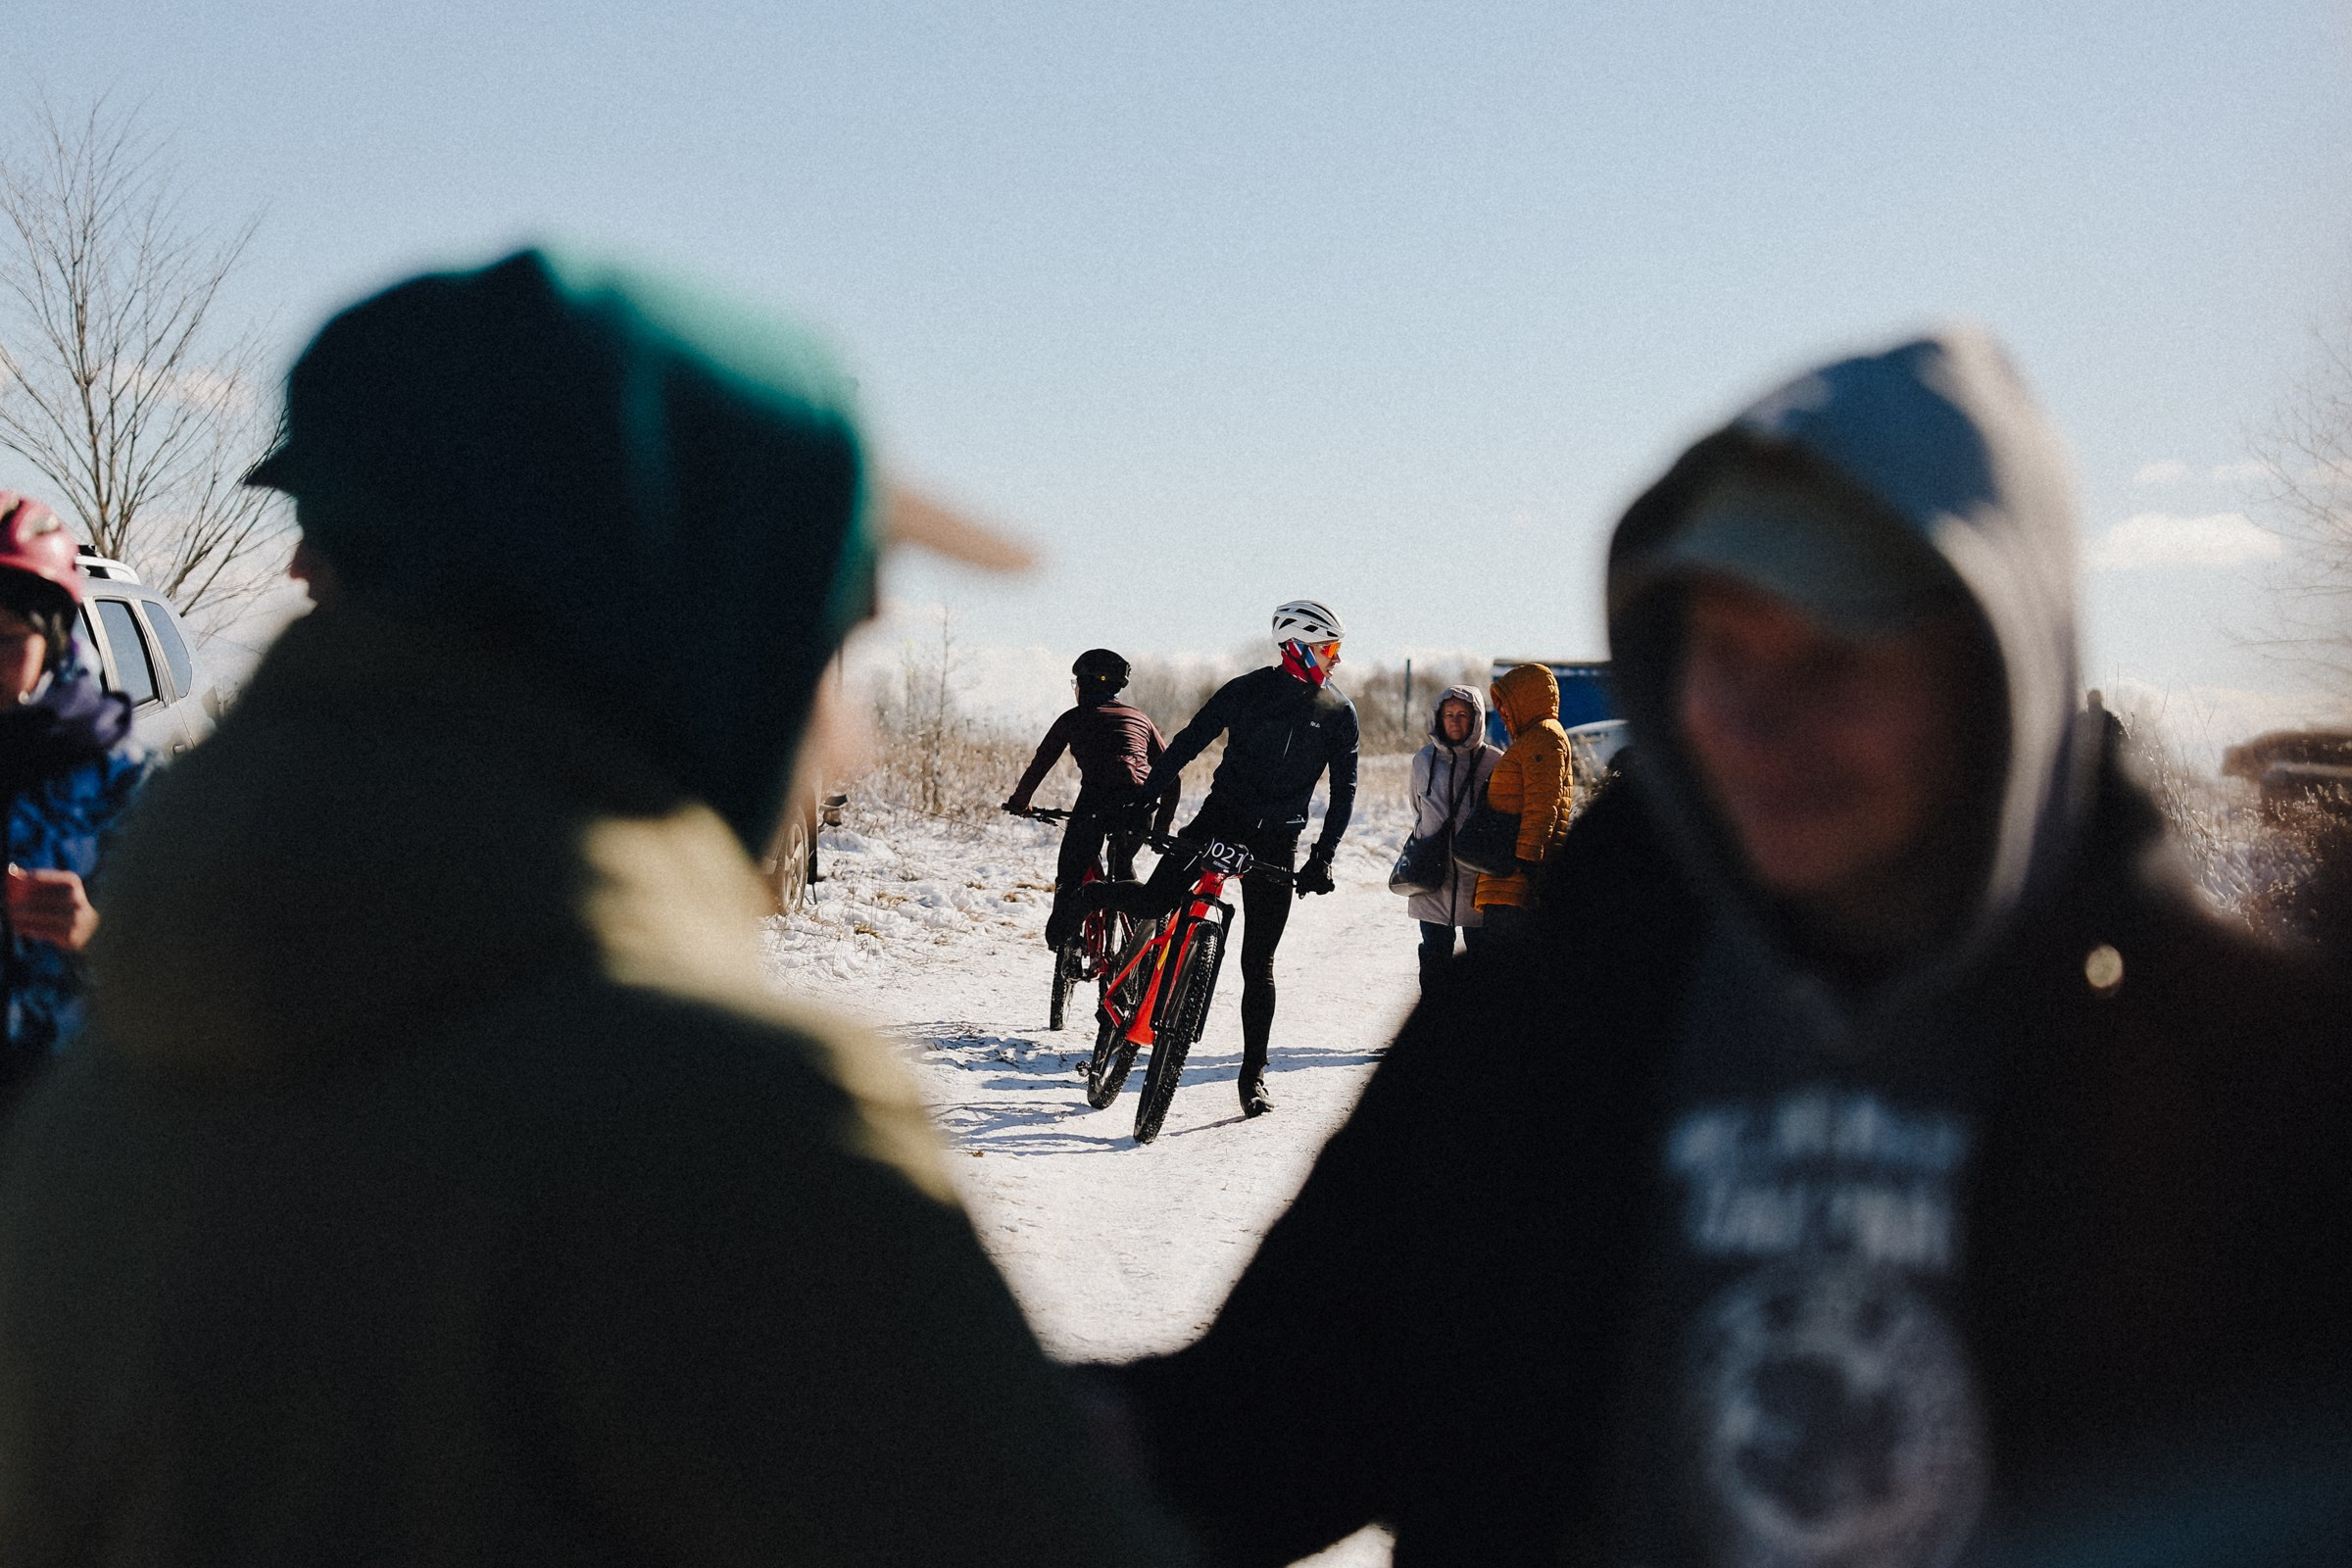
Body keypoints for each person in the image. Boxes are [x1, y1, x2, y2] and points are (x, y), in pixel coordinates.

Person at [0, 251, 1195, 1567]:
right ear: (702, 634)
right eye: (833, 630)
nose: (846, 737)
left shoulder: (130, 1074)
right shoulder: (727, 1127)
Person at [1116, 330, 2352, 1565]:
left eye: (1834, 657)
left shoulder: (2237, 1088)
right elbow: (1254, 1441)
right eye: (1720, 651)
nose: (1756, 722)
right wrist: (951, 1403)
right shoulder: (1548, 1027)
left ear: (1993, 676)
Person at [1090, 599, 1359, 1117]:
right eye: (1330, 648)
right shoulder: (1246, 690)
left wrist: (1323, 856)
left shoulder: (1338, 712)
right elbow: (1188, 743)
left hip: (1278, 840)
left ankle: (1252, 1076)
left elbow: (1344, 791)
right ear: (1297, 647)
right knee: (1154, 900)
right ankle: (1088, 904)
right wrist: (1144, 799)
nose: (1337, 660)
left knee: (1259, 963)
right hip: (1220, 819)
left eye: (1338, 649)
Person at [0, 493, 152, 1119]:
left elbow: (183, 970)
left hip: (60, 1106)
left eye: (9, 642)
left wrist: (92, 933)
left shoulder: (117, 777)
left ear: (57, 639)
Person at [1003, 648, 1177, 950]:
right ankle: (1136, 952)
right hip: (1140, 803)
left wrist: (1020, 802)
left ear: (1084, 685)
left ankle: (1063, 935)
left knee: (1071, 873)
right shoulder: (1140, 718)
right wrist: (1161, 826)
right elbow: (1171, 775)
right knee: (1122, 865)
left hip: (1096, 801)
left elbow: (1041, 763)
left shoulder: (1074, 717)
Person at [1402, 683, 1498, 988]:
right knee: (1433, 955)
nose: (1455, 721)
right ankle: (1433, 1026)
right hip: (1432, 875)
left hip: (1477, 879)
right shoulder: (1422, 760)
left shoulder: (1495, 762)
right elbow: (1416, 806)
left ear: (1476, 719)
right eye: (1448, 714)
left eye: (1462, 714)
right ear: (1438, 718)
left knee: (1482, 958)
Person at [1474, 662, 1574, 940]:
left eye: (1507, 703)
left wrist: (1526, 861)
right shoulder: (1537, 737)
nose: (1503, 712)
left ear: (1527, 700)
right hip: (1510, 876)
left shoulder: (1544, 737)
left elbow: (1542, 805)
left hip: (1515, 878)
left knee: (1503, 968)